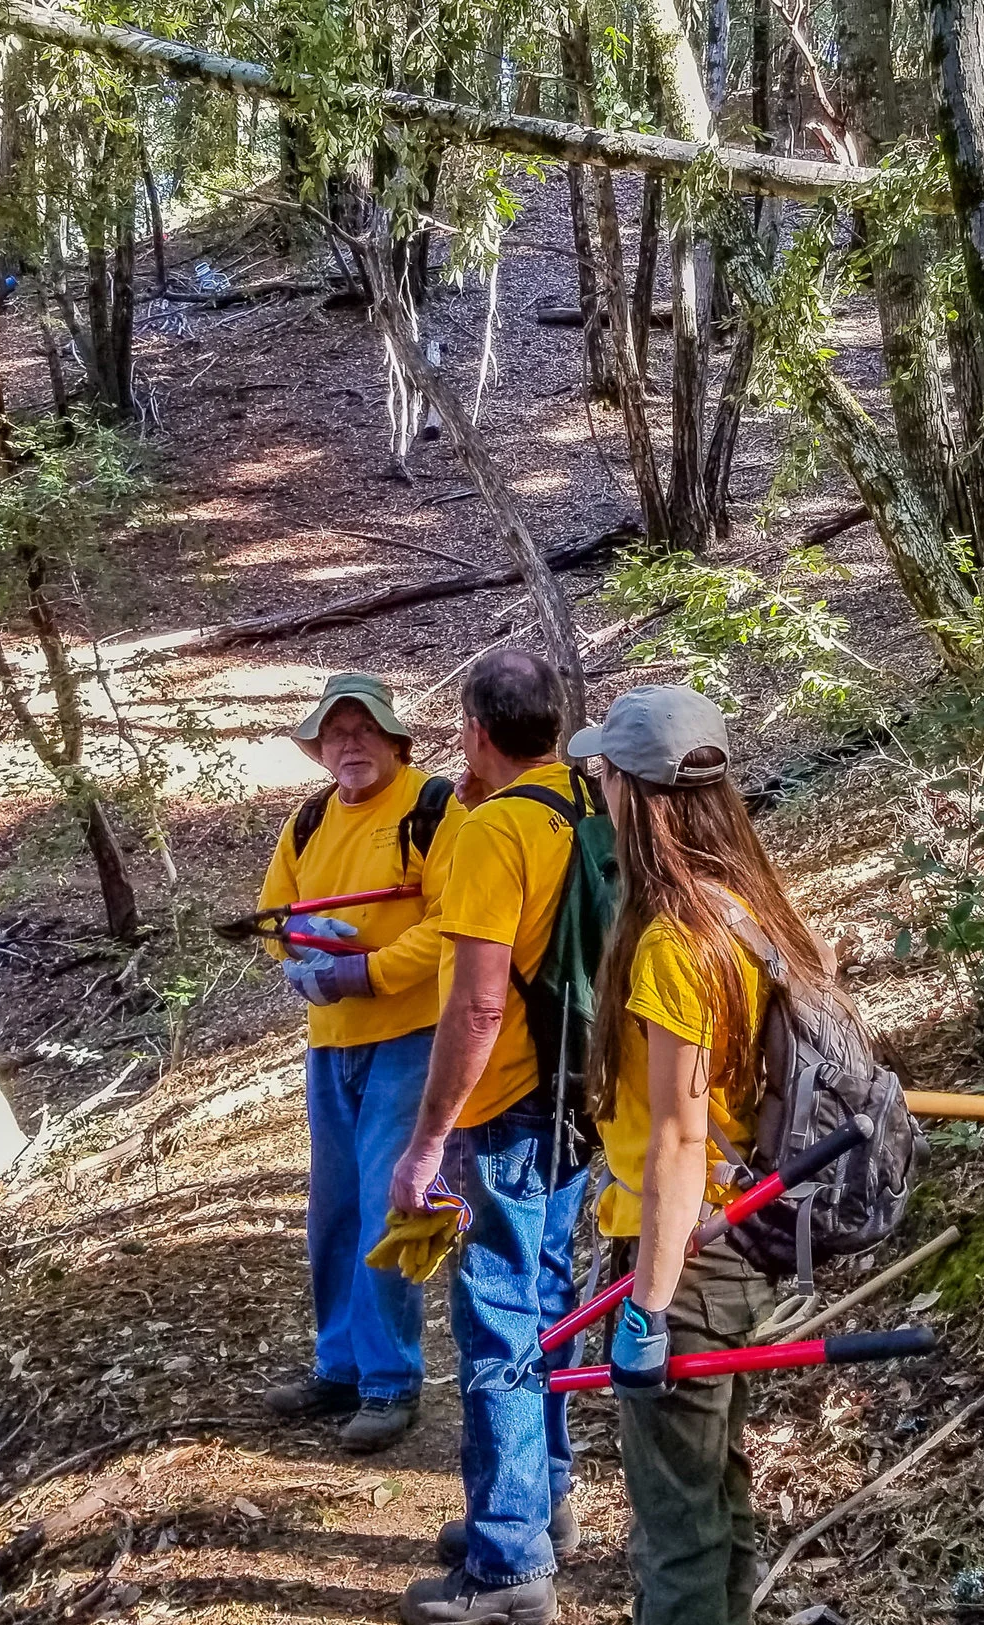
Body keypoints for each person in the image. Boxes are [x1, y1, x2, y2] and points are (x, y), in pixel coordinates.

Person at [574, 684, 851, 1625]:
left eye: (606, 775)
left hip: (687, 1257)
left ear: (636, 796)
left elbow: (679, 1137)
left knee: (678, 1527)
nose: (600, 789)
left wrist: (648, 1307)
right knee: (718, 1494)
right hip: (737, 1238)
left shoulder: (675, 944)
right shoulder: (749, 907)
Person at [387, 650, 594, 1625]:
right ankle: (543, 1499)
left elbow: (475, 1006)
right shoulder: (585, 804)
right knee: (546, 1297)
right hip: (578, 1095)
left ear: (475, 730)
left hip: (504, 1105)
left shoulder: (491, 833)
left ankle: (510, 1562)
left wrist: (427, 1140)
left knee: (498, 1317)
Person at [257, 671, 465, 1453]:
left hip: (411, 1036)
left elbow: (454, 923)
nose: (351, 744)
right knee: (334, 1210)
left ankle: (389, 1381)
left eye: (365, 729)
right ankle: (338, 1366)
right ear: (319, 749)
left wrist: (367, 970)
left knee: (386, 1202)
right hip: (330, 1042)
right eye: (336, 733)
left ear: (394, 738)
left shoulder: (432, 806)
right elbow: (276, 915)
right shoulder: (308, 820)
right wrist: (301, 953)